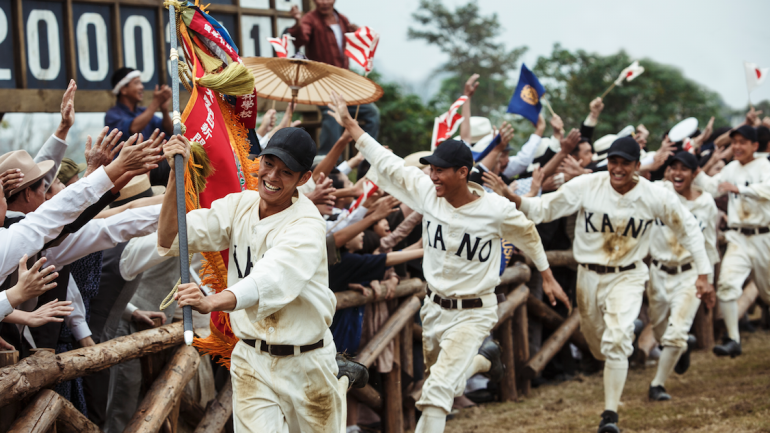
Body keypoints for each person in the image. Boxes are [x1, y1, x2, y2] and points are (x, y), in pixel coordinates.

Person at [326, 91, 567, 433]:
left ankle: (478, 356)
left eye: (440, 170)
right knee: (444, 384)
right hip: (434, 310)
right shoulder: (427, 192)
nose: (433, 175)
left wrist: (546, 274)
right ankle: (484, 360)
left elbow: (528, 232)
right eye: (431, 169)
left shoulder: (494, 209)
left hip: (474, 311)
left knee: (437, 392)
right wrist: (351, 125)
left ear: (463, 172)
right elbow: (387, 162)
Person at [159, 129, 367, 433]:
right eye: (269, 163)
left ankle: (338, 375)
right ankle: (343, 375)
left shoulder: (307, 224)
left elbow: (272, 277)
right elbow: (171, 236)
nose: (272, 176)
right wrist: (177, 175)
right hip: (251, 359)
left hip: (306, 361)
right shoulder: (238, 205)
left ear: (304, 178)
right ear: (260, 161)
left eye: (286, 171)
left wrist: (212, 301)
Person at [507, 137, 713, 433]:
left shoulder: (655, 195)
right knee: (598, 346)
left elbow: (690, 230)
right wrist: (514, 199)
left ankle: (610, 416)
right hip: (588, 275)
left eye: (625, 163)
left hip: (628, 274)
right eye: (613, 162)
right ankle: (626, 337)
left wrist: (703, 274)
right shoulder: (589, 184)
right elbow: (545, 208)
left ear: (637, 166)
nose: (617, 169)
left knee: (615, 343)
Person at [692, 125, 770, 357]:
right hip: (738, 236)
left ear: (755, 146)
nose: (736, 147)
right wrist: (695, 169)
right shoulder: (731, 168)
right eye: (734, 142)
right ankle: (732, 339)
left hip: (764, 237)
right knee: (726, 285)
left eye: (742, 142)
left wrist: (741, 189)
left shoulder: (765, 166)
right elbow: (712, 187)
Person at [647, 152, 718, 401]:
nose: (678, 173)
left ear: (694, 173)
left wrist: (708, 281)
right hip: (658, 272)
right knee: (660, 332)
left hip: (688, 274)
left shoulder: (706, 203)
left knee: (675, 333)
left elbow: (708, 245)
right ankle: (682, 347)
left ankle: (657, 385)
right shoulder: (658, 192)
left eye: (684, 169)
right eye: (673, 167)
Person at [288, 1, 380, 155]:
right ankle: (328, 165)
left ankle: (366, 158)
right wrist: (297, 21)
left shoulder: (342, 19)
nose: (324, 2)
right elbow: (300, 38)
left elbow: (355, 41)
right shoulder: (310, 19)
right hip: (323, 84)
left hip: (344, 83)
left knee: (372, 112)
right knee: (332, 114)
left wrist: (358, 34)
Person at [105, 67, 173, 140]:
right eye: (136, 83)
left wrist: (165, 110)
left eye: (141, 83)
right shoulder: (112, 115)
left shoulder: (144, 111)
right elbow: (133, 129)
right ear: (123, 89)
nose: (142, 87)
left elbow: (171, 131)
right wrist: (156, 102)